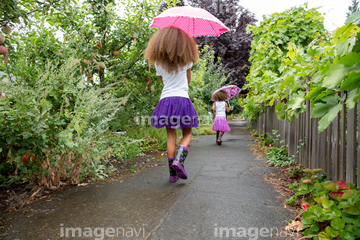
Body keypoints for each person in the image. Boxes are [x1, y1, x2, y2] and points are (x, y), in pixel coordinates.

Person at [144, 27, 199, 182]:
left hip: (166, 101)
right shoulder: (187, 60)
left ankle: (172, 174)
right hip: (182, 99)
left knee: (170, 136)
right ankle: (179, 161)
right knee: (187, 134)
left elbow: (163, 82)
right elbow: (187, 81)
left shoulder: (158, 63)